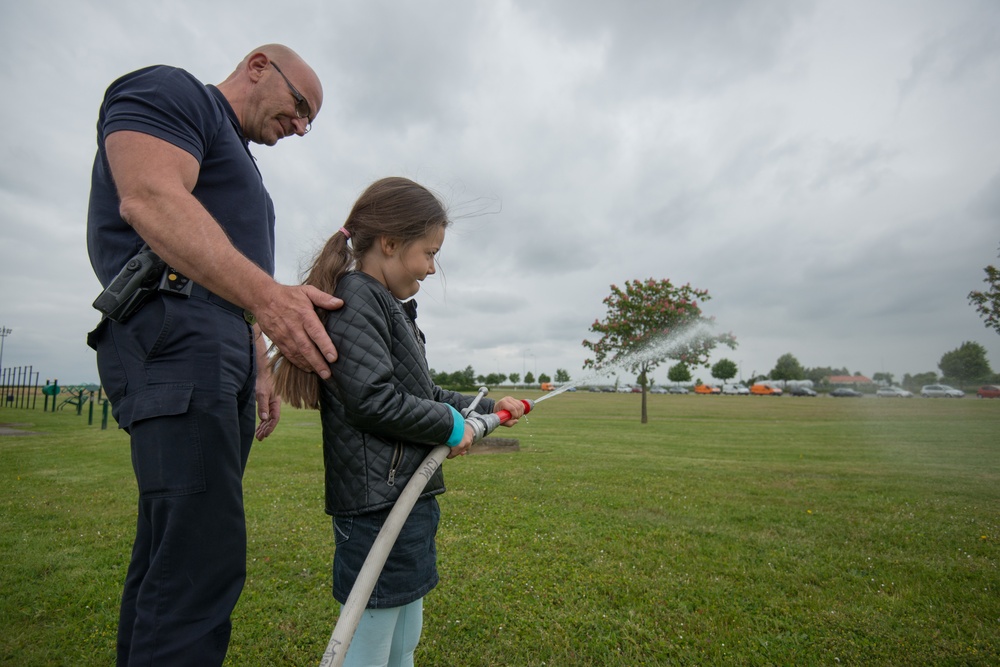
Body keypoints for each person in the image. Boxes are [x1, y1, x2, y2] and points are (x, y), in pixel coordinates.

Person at [86, 45, 342, 666]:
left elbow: (232, 280)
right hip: (177, 330)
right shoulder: (173, 93)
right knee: (202, 557)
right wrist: (269, 299)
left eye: (311, 121)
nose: (302, 126)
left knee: (173, 553)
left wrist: (255, 357)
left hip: (220, 338)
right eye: (300, 106)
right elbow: (148, 198)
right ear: (259, 66)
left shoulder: (244, 164)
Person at [271, 177, 526, 667]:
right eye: (428, 253)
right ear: (389, 243)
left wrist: (489, 409)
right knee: (370, 642)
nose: (432, 268)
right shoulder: (357, 300)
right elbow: (373, 399)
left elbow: (423, 396)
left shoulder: (388, 305)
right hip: (375, 506)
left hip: (405, 500)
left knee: (405, 635)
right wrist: (454, 428)